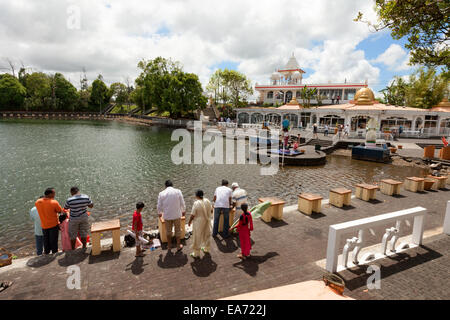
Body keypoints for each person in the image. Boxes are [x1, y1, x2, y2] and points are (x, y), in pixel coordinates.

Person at [157, 180, 186, 251]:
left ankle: (169, 246)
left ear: (165, 186)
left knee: (168, 231)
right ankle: (178, 245)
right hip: (177, 214)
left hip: (167, 215)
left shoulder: (161, 193)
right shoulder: (178, 191)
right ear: (172, 185)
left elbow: (159, 205)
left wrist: (159, 212)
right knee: (178, 230)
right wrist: (183, 211)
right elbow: (182, 202)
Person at [35, 188, 65, 254]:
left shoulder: (37, 202)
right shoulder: (54, 202)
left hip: (44, 225)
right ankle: (54, 254)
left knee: (46, 242)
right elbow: (60, 211)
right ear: (50, 194)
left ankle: (47, 254)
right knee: (54, 241)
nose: (55, 194)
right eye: (54, 193)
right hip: (53, 225)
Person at [188, 190, 213, 258]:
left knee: (197, 236)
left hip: (198, 222)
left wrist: (189, 221)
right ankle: (206, 248)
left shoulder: (196, 203)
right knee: (207, 234)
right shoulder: (207, 201)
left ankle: (196, 253)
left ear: (196, 196)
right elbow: (211, 210)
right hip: (207, 220)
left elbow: (193, 214)